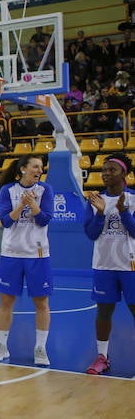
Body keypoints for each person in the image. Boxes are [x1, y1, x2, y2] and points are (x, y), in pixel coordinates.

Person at [0, 155, 53, 365]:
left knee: (41, 303)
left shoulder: (46, 190)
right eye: (35, 166)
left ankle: (40, 349)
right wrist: (21, 206)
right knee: (6, 302)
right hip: (12, 254)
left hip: (38, 254)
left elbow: (44, 219)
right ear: (23, 169)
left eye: (41, 167)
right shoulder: (8, 190)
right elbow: (6, 221)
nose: (39, 170)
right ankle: (1, 346)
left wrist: (33, 205)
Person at [83, 155, 135, 375]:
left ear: (124, 174)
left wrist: (123, 212)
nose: (105, 173)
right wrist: (101, 213)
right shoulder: (94, 201)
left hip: (130, 266)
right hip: (103, 266)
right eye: (104, 170)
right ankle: (102, 357)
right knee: (103, 313)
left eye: (112, 170)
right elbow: (91, 233)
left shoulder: (133, 199)